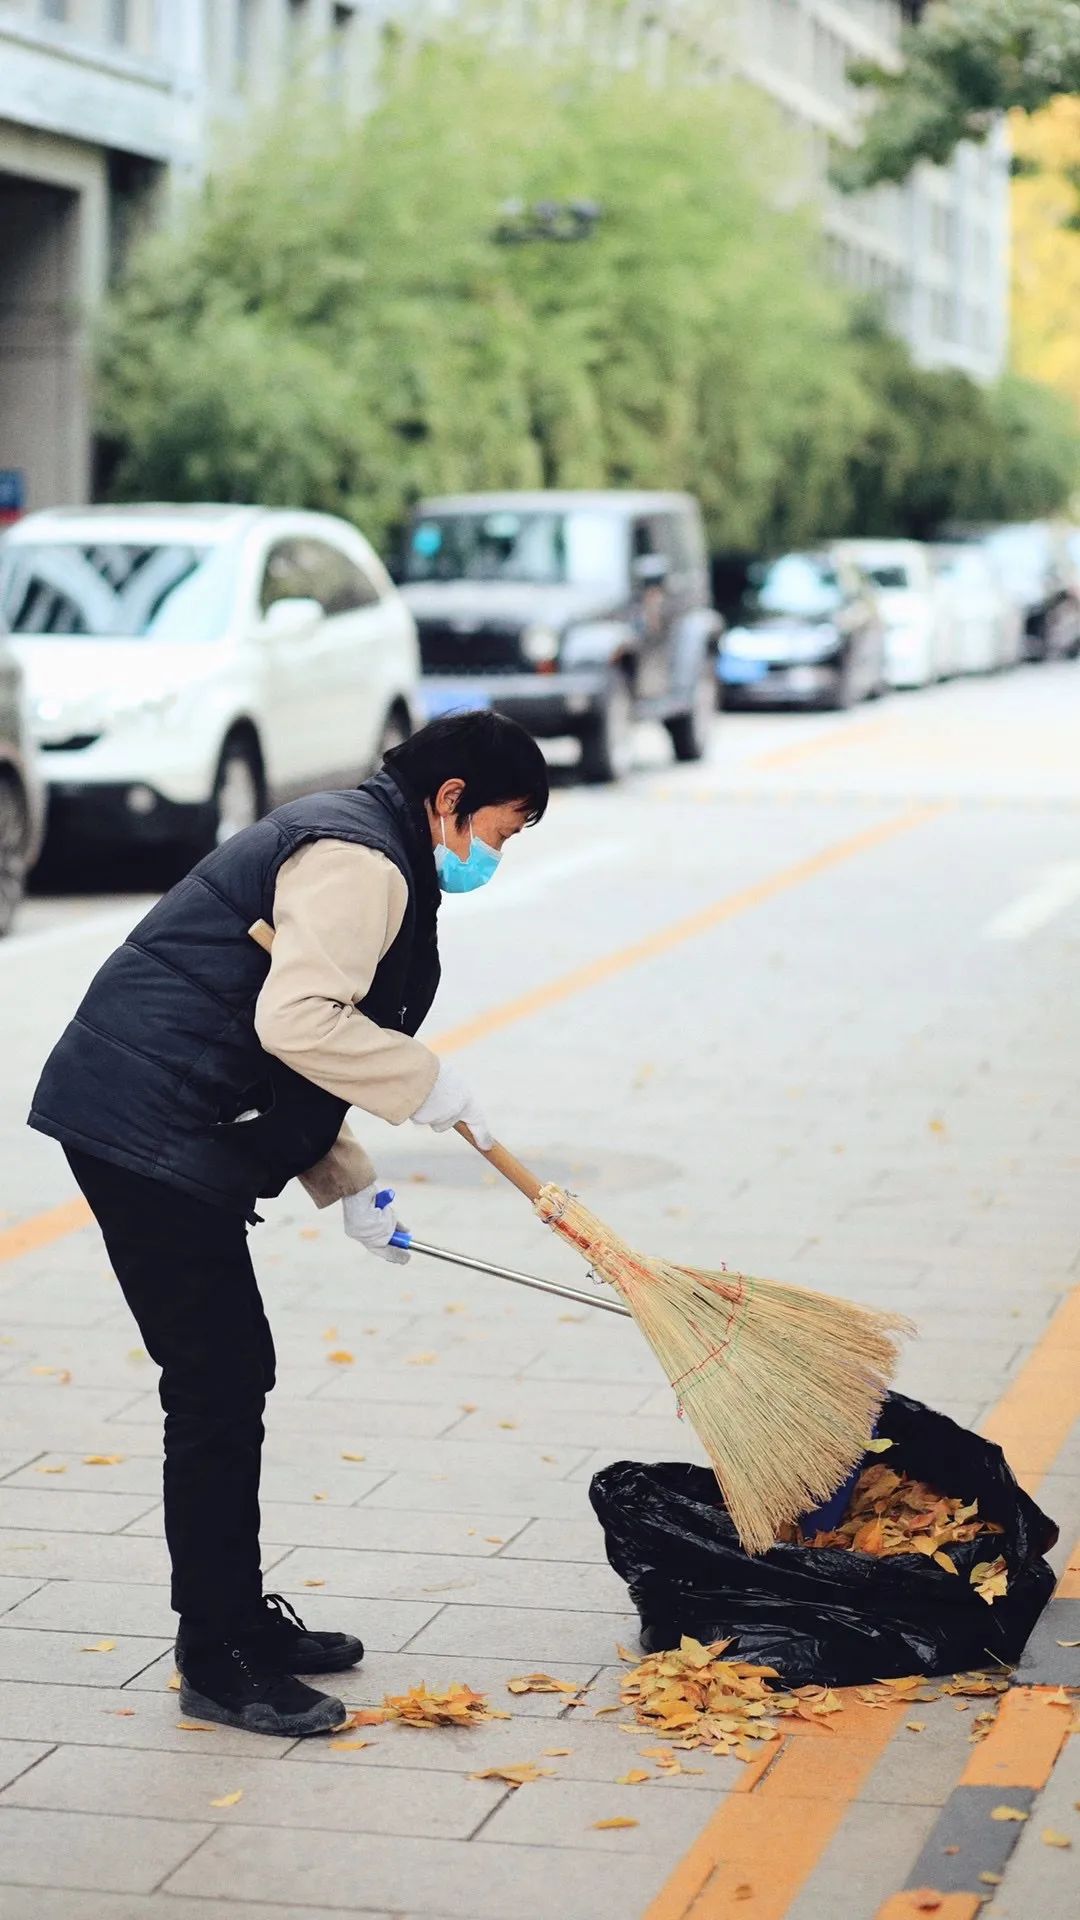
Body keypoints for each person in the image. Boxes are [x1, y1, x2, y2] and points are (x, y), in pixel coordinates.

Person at [28, 710, 549, 1737]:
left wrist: (350, 1181)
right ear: (450, 799)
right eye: (502, 829)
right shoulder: (362, 859)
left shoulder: (368, 836)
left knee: (231, 1376)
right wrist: (426, 1082)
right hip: (144, 1125)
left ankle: (238, 1620)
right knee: (218, 1382)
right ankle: (217, 1654)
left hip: (167, 1113)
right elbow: (300, 1022)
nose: (497, 853)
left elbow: (278, 1045)